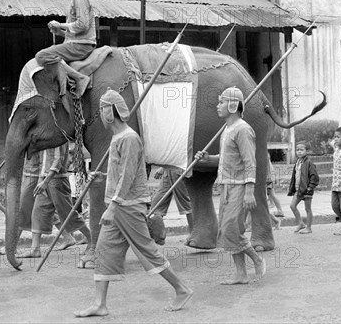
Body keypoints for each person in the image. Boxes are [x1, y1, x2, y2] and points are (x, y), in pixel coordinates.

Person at [75, 89, 193, 317]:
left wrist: (112, 206)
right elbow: (121, 174)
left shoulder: (129, 138)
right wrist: (101, 178)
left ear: (110, 112)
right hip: (119, 206)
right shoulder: (119, 137)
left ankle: (182, 289)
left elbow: (128, 176)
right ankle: (100, 304)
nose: (100, 113)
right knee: (103, 251)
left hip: (128, 207)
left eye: (102, 108)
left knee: (148, 251)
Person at [195, 87, 266, 285]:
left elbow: (250, 162)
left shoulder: (243, 129)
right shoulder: (227, 129)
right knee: (228, 232)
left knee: (231, 230)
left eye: (221, 102)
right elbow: (226, 158)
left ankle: (257, 259)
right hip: (225, 185)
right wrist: (208, 158)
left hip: (240, 187)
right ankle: (241, 273)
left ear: (233, 105)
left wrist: (250, 191)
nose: (218, 106)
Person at [20, 143, 91, 258]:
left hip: (57, 180)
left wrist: (46, 180)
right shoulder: (46, 136)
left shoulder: (57, 134)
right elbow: (44, 161)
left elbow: (58, 159)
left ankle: (91, 239)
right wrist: (41, 180)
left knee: (68, 214)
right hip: (44, 179)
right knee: (38, 212)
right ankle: (35, 249)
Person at [35, 0, 95, 98]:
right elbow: (78, 32)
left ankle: (80, 78)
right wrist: (60, 32)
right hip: (78, 43)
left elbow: (82, 25)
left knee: (42, 56)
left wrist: (60, 24)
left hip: (81, 46)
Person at [148, 166, 193, 245]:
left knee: (185, 202)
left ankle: (194, 235)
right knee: (158, 202)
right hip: (168, 170)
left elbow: (175, 153)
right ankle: (158, 235)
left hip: (178, 169)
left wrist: (163, 167)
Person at [288, 141, 319, 234]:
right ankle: (301, 223)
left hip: (307, 190)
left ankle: (308, 227)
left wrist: (310, 188)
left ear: (307, 151)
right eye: (297, 150)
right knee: (292, 206)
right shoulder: (298, 162)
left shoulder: (309, 162)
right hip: (299, 189)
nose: (299, 152)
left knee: (307, 208)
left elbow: (315, 177)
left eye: (301, 150)